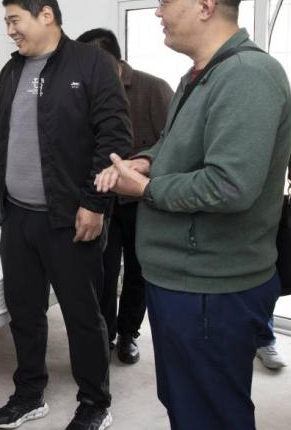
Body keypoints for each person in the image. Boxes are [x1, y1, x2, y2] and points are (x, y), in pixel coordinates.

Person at [95, 0, 291, 429]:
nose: (157, 12)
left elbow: (230, 185)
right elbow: (176, 144)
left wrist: (146, 187)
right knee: (185, 402)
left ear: (205, 5)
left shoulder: (248, 76)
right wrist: (148, 158)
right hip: (183, 279)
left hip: (211, 286)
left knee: (210, 412)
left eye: (165, 0)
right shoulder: (198, 75)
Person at [0, 0, 131, 430]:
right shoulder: (12, 70)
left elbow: (114, 138)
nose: (9, 30)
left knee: (83, 316)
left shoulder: (92, 63)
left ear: (45, 14)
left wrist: (95, 203)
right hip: (18, 216)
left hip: (69, 217)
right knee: (24, 313)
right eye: (7, 22)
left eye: (14, 20)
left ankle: (95, 403)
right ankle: (29, 394)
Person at [77, 28, 173, 365]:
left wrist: (141, 166)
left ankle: (129, 332)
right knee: (102, 270)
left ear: (113, 62)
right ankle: (105, 334)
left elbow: (172, 144)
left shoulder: (154, 89)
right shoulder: (84, 91)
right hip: (101, 198)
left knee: (138, 269)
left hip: (140, 200)